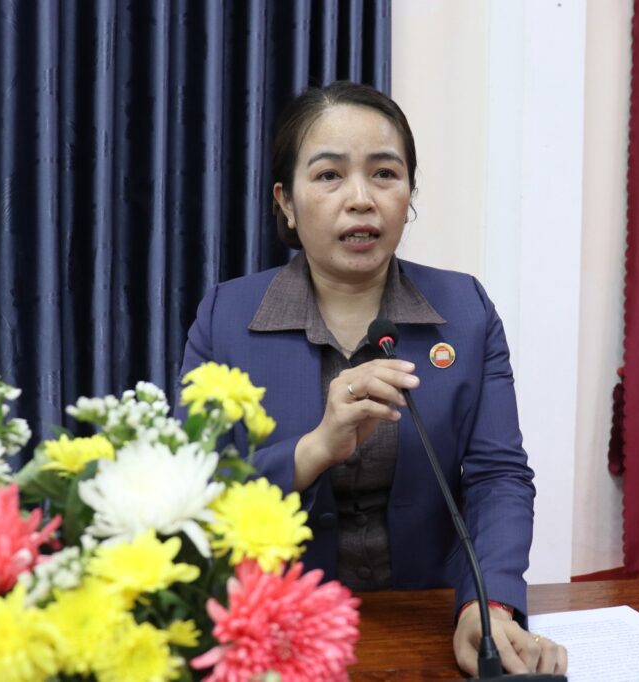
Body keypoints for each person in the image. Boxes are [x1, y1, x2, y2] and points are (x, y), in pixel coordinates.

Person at [178, 80, 567, 677]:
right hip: (272, 639)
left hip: (427, 627)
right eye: (329, 175)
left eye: (385, 173)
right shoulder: (225, 317)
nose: (361, 199)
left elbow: (499, 478)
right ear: (286, 201)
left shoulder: (465, 311)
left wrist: (487, 607)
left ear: (409, 194)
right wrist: (313, 451)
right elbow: (191, 496)